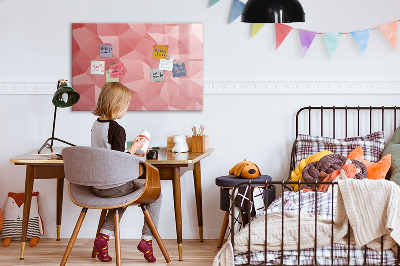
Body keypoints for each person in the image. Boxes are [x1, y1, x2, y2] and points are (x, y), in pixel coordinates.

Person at [91, 82, 161, 263]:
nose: (126, 110)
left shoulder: (96, 125)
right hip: (114, 186)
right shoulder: (117, 129)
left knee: (121, 197)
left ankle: (103, 238)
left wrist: (130, 149)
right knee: (156, 194)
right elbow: (119, 161)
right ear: (117, 105)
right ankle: (147, 240)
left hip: (97, 186)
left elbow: (108, 154)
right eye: (126, 106)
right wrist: (136, 148)